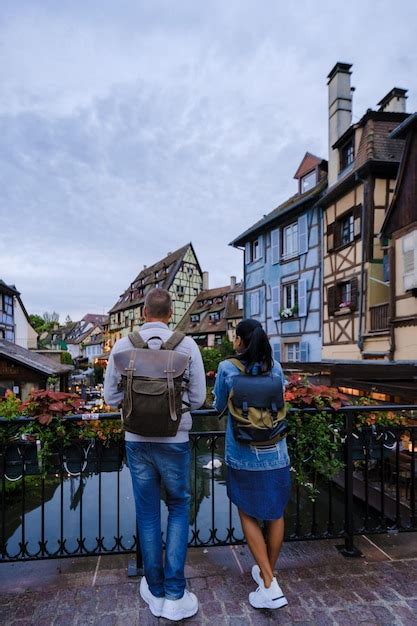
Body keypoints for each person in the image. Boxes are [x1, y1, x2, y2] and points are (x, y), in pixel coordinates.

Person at [104, 288, 206, 621]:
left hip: (137, 440)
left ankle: (154, 586)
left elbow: (110, 397)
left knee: (147, 513)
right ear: (170, 312)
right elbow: (200, 399)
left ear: (143, 312)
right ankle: (176, 594)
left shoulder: (123, 345)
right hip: (175, 441)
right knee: (178, 507)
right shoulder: (187, 345)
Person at [213, 319, 291, 610]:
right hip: (276, 452)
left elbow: (218, 406)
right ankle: (267, 576)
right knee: (276, 513)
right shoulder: (276, 367)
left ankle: (270, 585)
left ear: (240, 341)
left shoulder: (227, 368)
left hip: (244, 453)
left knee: (247, 512)